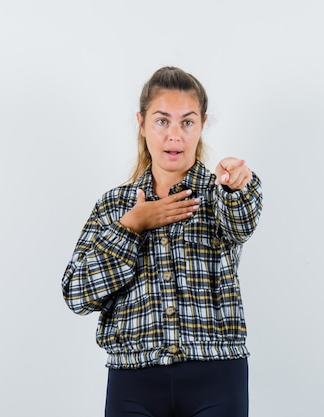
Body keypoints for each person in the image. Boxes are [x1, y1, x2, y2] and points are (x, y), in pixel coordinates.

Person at [62, 66, 263, 417]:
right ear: (141, 123)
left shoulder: (221, 194)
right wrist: (132, 226)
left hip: (216, 373)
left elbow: (241, 222)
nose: (175, 135)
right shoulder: (115, 205)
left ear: (202, 124)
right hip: (133, 381)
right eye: (161, 121)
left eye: (187, 122)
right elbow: (77, 294)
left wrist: (238, 185)